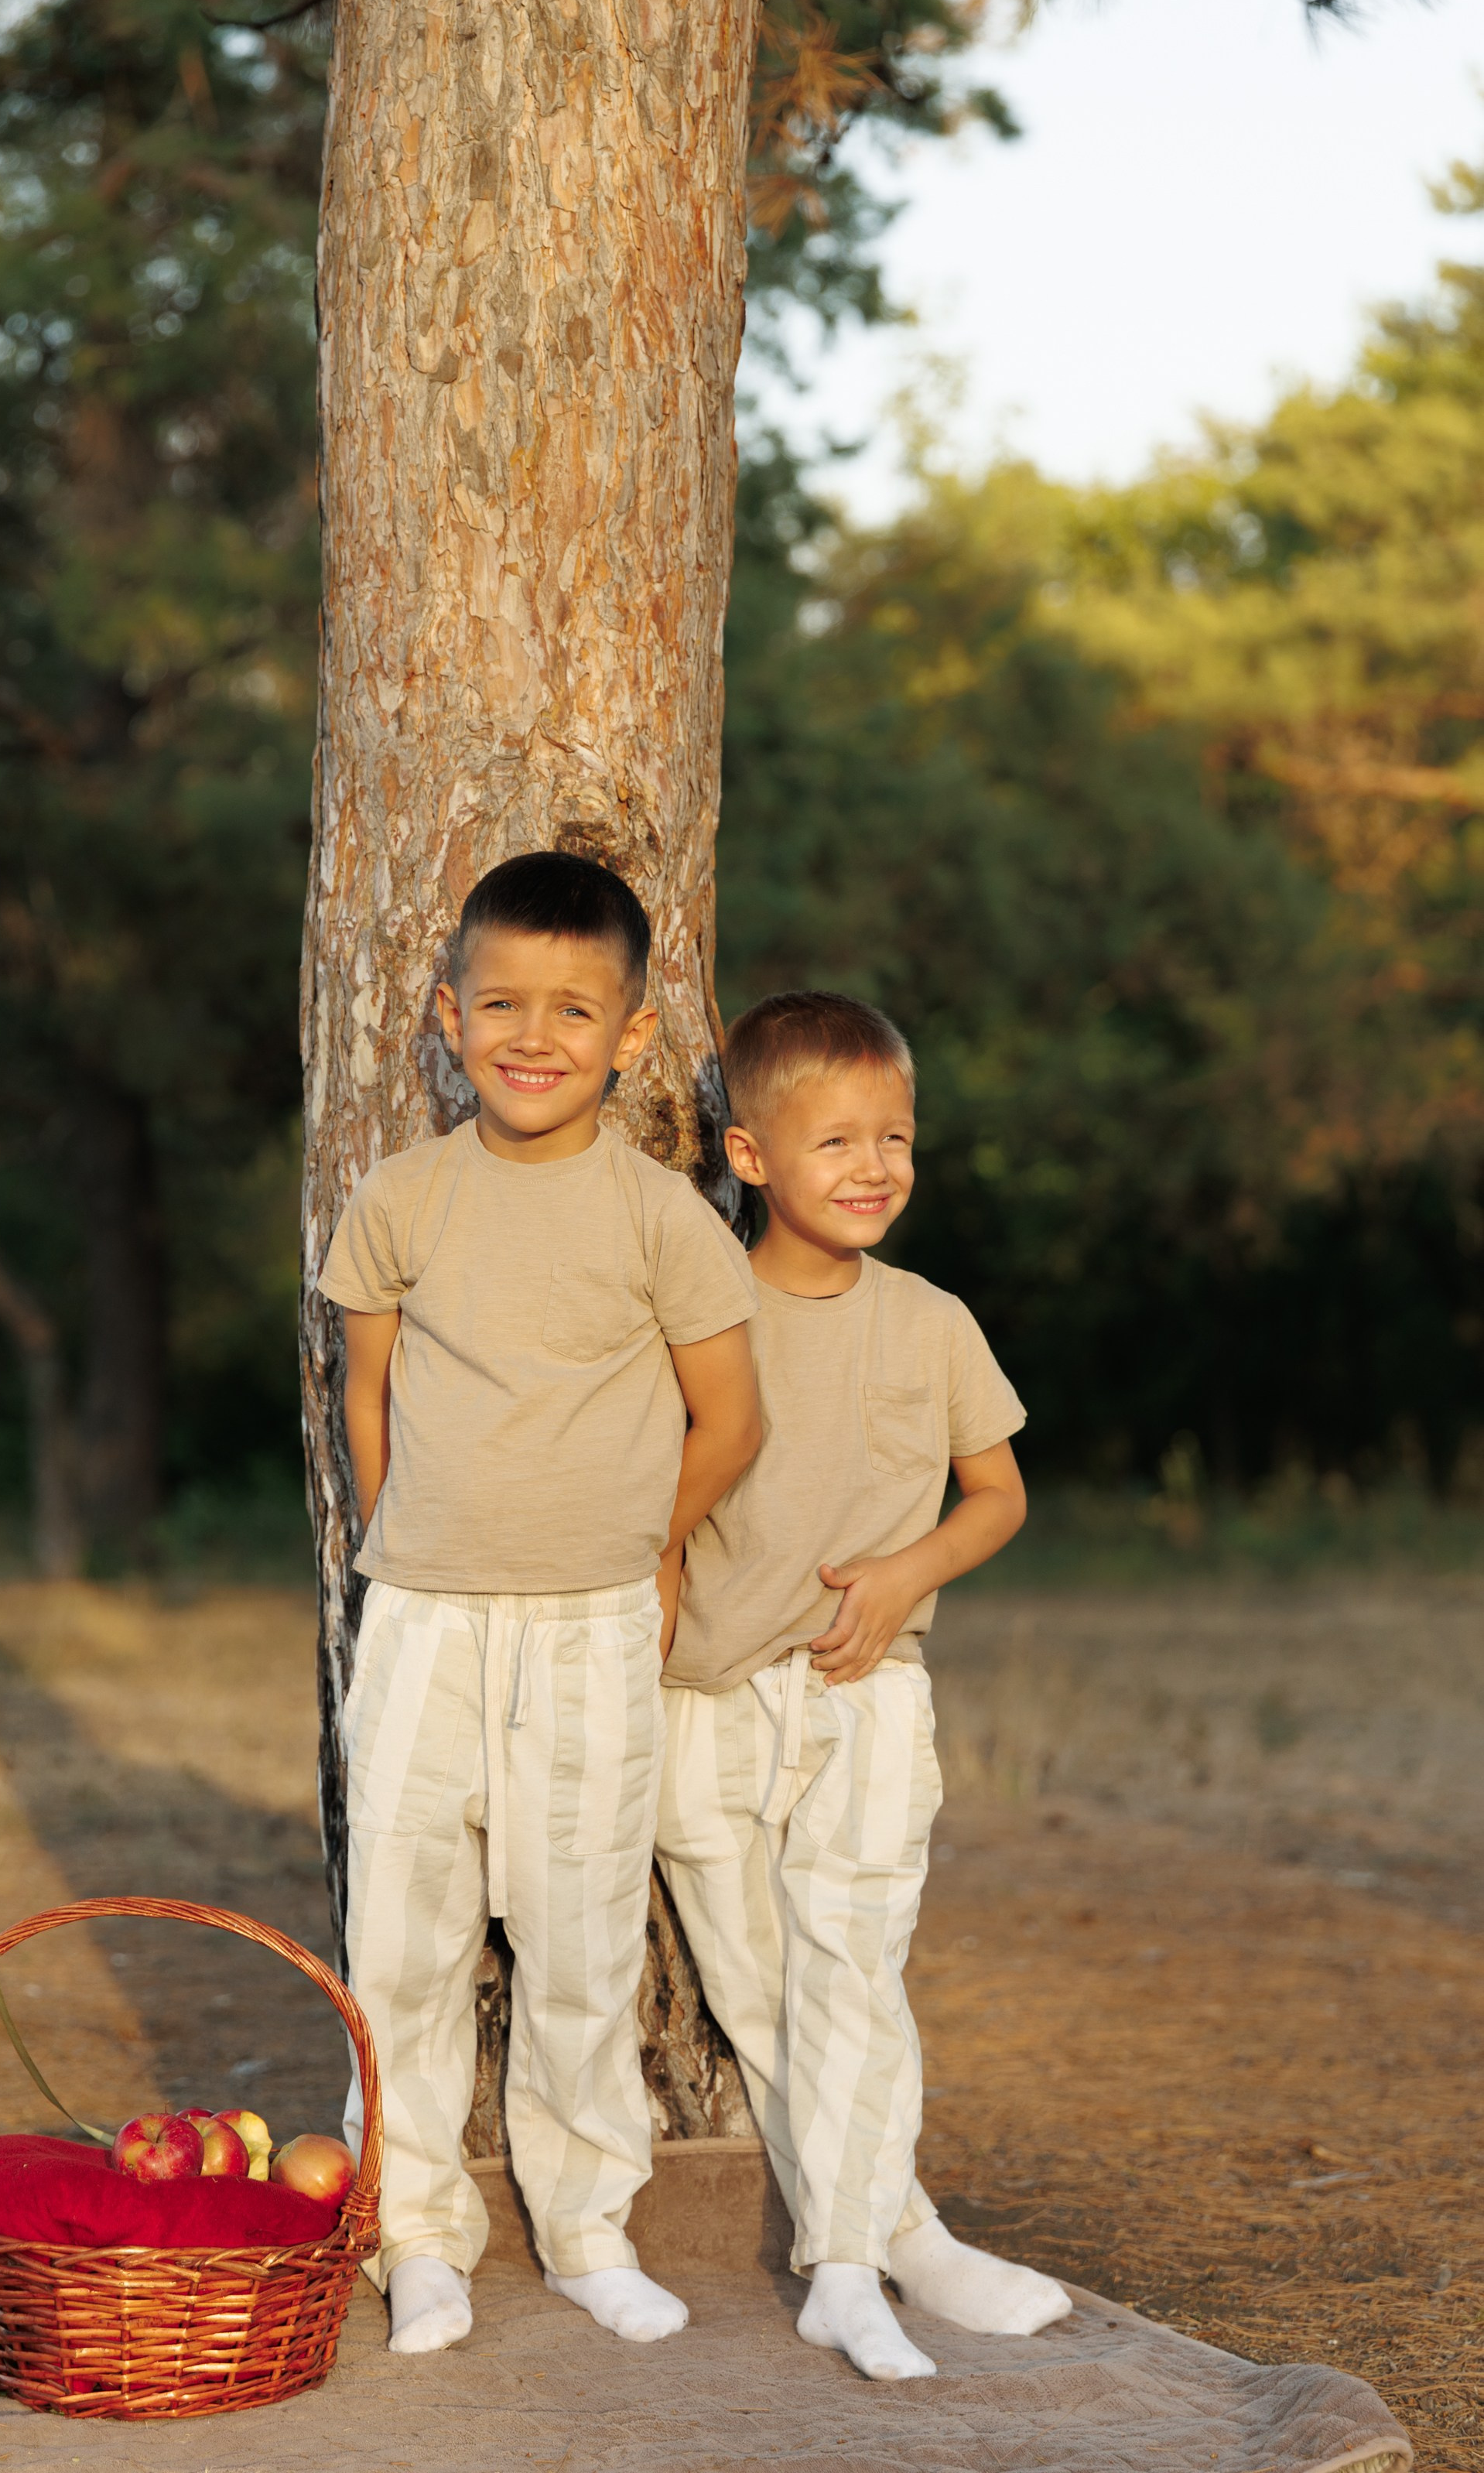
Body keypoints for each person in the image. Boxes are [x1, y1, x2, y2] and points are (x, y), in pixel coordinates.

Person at [319, 852, 761, 2355]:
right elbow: (363, 1384)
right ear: (447, 1012)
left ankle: (584, 2227)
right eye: (500, 1000)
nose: (532, 1034)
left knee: (578, 1935)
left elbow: (730, 1418)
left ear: (629, 1035)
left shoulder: (660, 1219)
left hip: (588, 1623)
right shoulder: (403, 1197)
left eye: (573, 1009)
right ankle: (414, 2233)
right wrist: (396, 1534)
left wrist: (653, 1544)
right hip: (429, 1619)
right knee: (405, 1932)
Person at [655, 989, 1074, 2382]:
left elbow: (998, 1492)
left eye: (893, 1136)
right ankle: (896, 2230)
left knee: (857, 1973)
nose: (873, 1166)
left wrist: (907, 1570)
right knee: (760, 1991)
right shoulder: (699, 1311)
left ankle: (846, 2267)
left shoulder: (930, 1320)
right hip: (705, 1701)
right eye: (834, 1140)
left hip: (866, 1692)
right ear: (750, 1156)